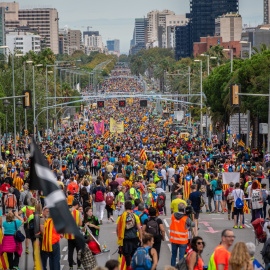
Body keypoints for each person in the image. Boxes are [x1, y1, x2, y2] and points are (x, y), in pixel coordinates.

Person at [116, 201, 142, 270]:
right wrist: (141, 238)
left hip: (125, 239)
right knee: (134, 255)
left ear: (124, 207)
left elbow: (117, 230)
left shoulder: (121, 217)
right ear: (131, 207)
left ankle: (128, 266)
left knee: (127, 255)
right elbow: (139, 228)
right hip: (134, 238)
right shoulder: (135, 216)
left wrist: (119, 238)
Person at [64, 200, 82, 270]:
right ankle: (79, 266)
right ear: (77, 205)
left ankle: (71, 266)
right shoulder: (78, 213)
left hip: (69, 234)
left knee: (70, 251)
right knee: (78, 251)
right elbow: (80, 224)